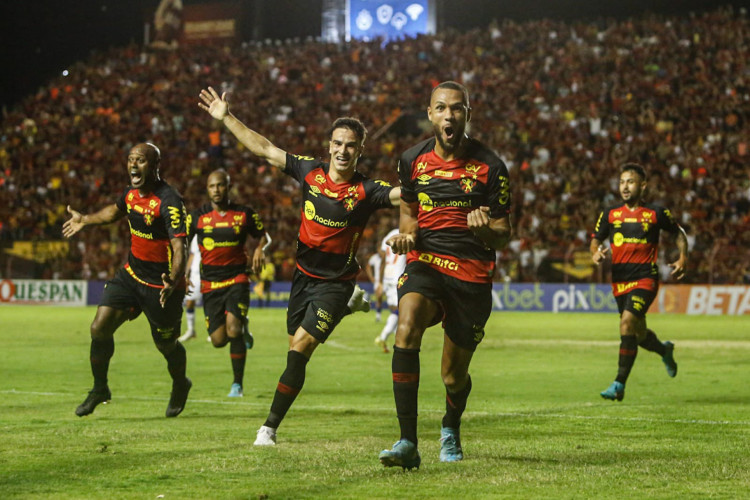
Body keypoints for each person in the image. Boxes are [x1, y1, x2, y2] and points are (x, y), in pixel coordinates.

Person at [198, 86, 400, 445]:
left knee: (301, 348)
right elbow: (264, 148)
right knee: (294, 345)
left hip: (336, 280)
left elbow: (402, 194)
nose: (343, 150)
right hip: (302, 279)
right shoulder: (310, 171)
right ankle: (347, 306)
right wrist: (226, 117)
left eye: (351, 145)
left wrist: (438, 182)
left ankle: (268, 428)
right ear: (329, 145)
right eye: (338, 143)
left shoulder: (367, 190)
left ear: (360, 150)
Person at [378, 81, 512, 469]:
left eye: (457, 108)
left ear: (468, 113)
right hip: (428, 263)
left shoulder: (491, 166)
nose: (449, 115)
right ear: (430, 113)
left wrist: (485, 229)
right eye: (441, 108)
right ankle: (407, 442)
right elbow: (408, 209)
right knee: (406, 325)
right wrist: (408, 235)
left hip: (471, 275)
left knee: (453, 377)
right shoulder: (412, 160)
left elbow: (504, 233)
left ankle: (450, 424)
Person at [63, 142, 191, 417]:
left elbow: (180, 246)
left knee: (166, 345)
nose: (134, 165)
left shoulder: (169, 200)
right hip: (131, 276)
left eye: (141, 160)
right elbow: (113, 211)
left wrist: (174, 278)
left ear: (155, 166)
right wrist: (85, 219)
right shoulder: (131, 194)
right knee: (99, 327)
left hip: (161, 286)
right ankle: (100, 388)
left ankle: (181, 384)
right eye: (131, 159)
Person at [591, 163, 688, 402]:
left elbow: (678, 233)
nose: (625, 186)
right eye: (622, 181)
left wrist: (683, 257)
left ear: (642, 186)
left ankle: (618, 384)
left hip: (645, 278)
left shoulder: (655, 213)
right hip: (620, 282)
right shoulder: (610, 214)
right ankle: (664, 350)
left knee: (627, 323)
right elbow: (595, 239)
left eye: (630, 181)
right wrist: (595, 252)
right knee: (639, 333)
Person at [185, 168, 269, 397]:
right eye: (212, 186)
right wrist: (181, 273)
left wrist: (260, 248)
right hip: (210, 284)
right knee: (218, 340)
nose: (216, 190)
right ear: (207, 189)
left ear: (228, 187)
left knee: (233, 329)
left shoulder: (244, 214)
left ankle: (237, 385)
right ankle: (242, 325)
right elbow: (181, 245)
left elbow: (264, 235)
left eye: (220, 185)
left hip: (237, 279)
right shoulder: (196, 217)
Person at [374, 228, 407, 353]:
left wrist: (380, 282)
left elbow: (383, 260)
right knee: (399, 311)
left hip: (388, 275)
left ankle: (396, 341)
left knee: (395, 310)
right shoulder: (406, 233)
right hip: (397, 276)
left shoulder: (388, 235)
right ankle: (383, 337)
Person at [177, 236, 203, 342]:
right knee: (189, 302)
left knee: (211, 301)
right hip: (195, 275)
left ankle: (213, 330)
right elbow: (192, 255)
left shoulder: (213, 231)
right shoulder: (197, 237)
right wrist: (187, 273)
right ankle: (191, 330)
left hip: (208, 272)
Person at [366, 248, 384, 321]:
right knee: (379, 298)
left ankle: (394, 315)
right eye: (380, 249)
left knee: (392, 300)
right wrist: (371, 277)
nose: (381, 251)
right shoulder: (374, 257)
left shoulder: (387, 256)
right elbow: (368, 267)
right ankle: (378, 316)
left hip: (387, 280)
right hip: (378, 281)